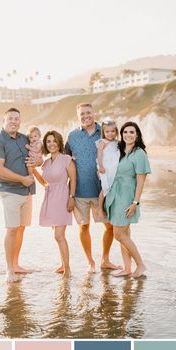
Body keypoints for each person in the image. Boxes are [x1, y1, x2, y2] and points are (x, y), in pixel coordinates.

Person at [65, 103, 122, 273]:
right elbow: (65, 159)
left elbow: (119, 152)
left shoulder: (104, 131)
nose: (85, 116)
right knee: (83, 227)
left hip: (102, 190)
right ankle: (90, 262)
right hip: (80, 190)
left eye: (88, 112)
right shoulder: (72, 135)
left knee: (110, 226)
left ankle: (105, 259)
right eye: (82, 113)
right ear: (78, 116)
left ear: (94, 113)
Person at [0, 107, 37, 283]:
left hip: (26, 191)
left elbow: (36, 158)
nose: (14, 121)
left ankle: (16, 265)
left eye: (17, 119)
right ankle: (9, 270)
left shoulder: (24, 138)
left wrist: (37, 161)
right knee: (12, 228)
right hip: (9, 190)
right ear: (4, 120)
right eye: (10, 118)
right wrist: (22, 179)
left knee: (21, 227)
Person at [105, 121, 151, 278]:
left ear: (137, 135)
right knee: (125, 234)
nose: (128, 135)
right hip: (115, 196)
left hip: (127, 198)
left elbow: (141, 181)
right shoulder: (120, 150)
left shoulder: (139, 153)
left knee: (119, 234)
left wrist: (135, 203)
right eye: (125, 132)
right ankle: (127, 268)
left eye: (132, 132)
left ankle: (140, 264)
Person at [35, 130, 76, 278]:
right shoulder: (45, 163)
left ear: (59, 142)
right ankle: (63, 264)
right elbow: (44, 181)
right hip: (50, 198)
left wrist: (72, 197)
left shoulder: (66, 159)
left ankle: (67, 269)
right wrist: (33, 170)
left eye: (54, 141)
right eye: (48, 141)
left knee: (59, 235)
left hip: (63, 198)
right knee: (57, 235)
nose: (51, 144)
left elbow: (73, 179)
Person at [96, 119, 120, 219]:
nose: (110, 134)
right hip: (105, 168)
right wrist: (100, 166)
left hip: (114, 168)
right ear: (103, 132)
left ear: (116, 132)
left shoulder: (117, 142)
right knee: (105, 187)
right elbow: (99, 155)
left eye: (112, 131)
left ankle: (111, 208)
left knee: (113, 187)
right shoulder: (103, 142)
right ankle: (100, 208)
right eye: (107, 131)